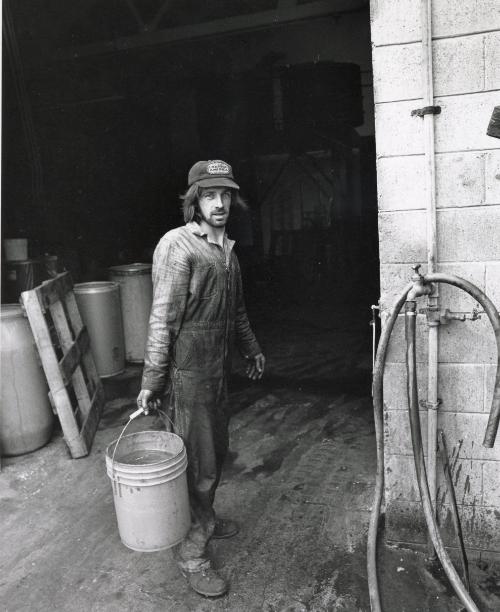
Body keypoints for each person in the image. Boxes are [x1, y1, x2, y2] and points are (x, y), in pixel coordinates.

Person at [137, 159, 265, 598]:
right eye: (210, 195)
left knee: (215, 452)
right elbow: (162, 319)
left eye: (226, 194)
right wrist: (153, 379)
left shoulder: (227, 250)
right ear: (195, 201)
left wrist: (251, 348)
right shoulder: (179, 245)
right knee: (198, 463)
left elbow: (238, 311)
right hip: (188, 372)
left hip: (217, 370)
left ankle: (205, 520)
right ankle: (192, 553)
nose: (220, 203)